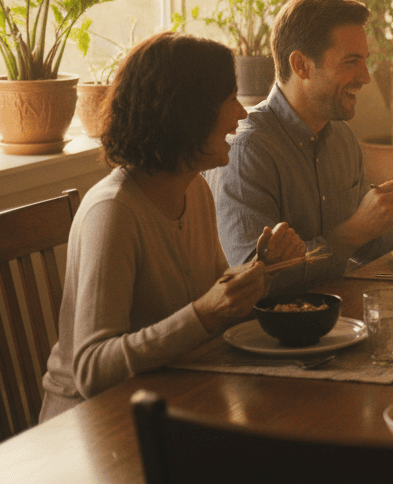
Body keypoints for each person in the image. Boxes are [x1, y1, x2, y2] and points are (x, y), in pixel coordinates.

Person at [41, 33, 305, 419]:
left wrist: (259, 270)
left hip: (169, 397)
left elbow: (211, 301)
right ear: (188, 114)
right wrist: (205, 313)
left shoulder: (194, 187)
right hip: (90, 425)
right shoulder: (113, 211)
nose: (242, 113)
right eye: (228, 99)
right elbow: (92, 370)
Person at [208, 0, 393, 293]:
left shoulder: (343, 138)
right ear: (301, 65)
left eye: (365, 61)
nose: (365, 77)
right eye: (352, 62)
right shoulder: (247, 151)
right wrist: (351, 234)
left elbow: (378, 250)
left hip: (338, 316)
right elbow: (252, 280)